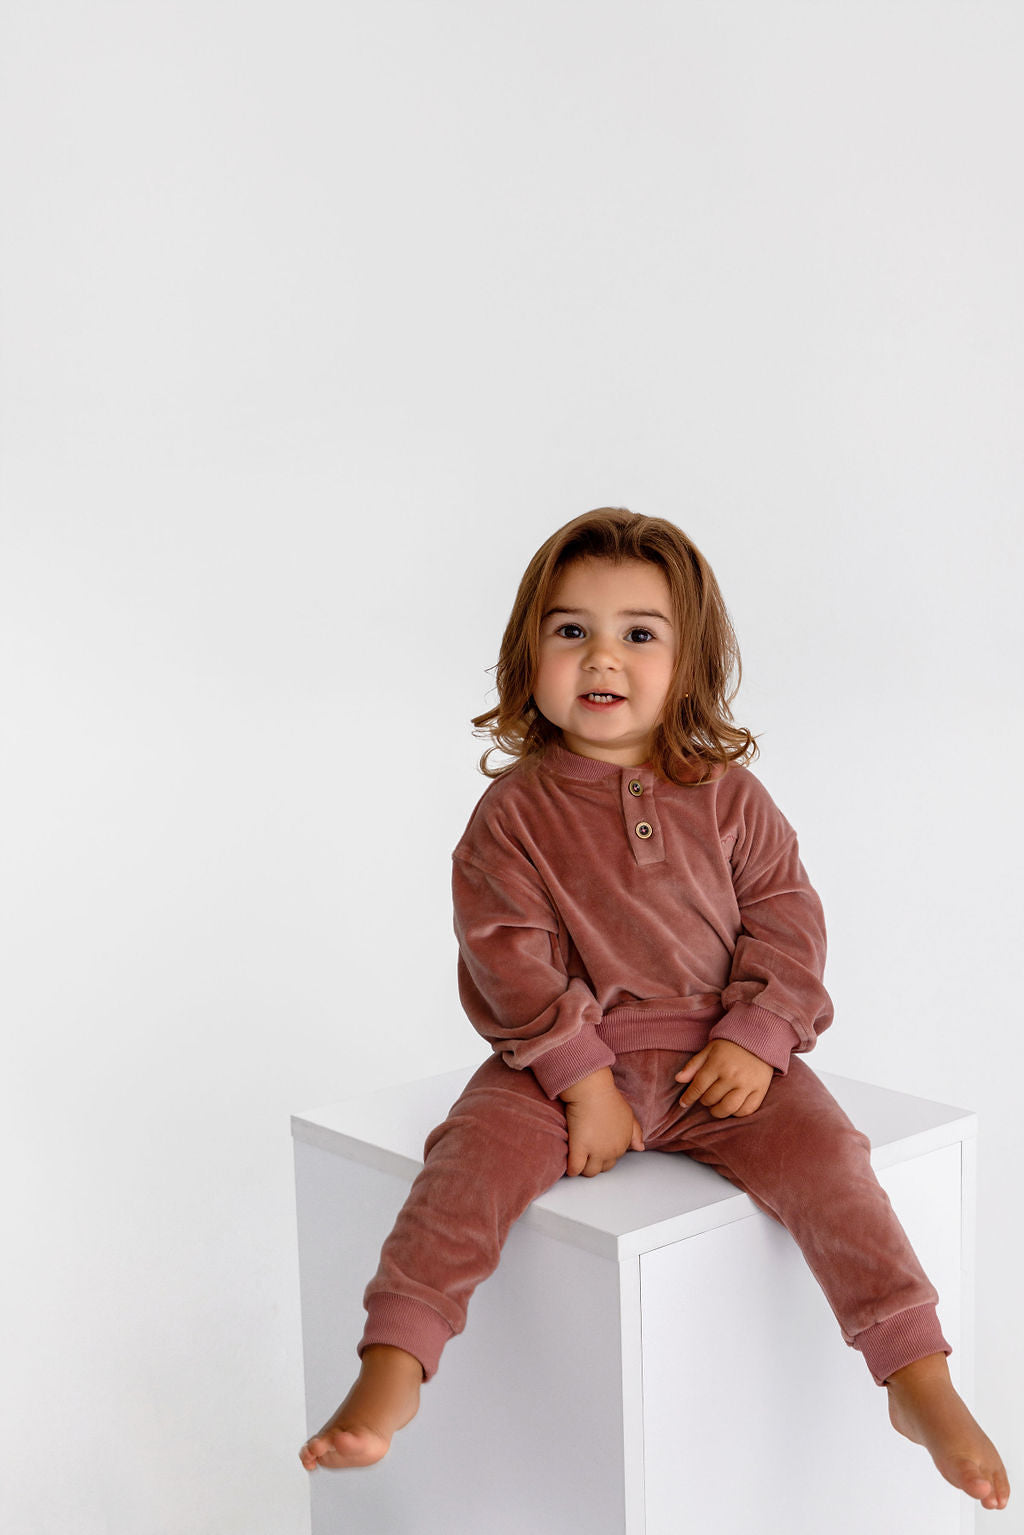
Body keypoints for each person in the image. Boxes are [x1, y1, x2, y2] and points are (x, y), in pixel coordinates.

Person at [299, 508, 1009, 1512]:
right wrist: (580, 1078)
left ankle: (916, 1376)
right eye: (571, 629)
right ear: (529, 654)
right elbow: (506, 955)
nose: (602, 655)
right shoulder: (512, 814)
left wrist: (759, 1036)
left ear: (687, 663)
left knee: (833, 1163)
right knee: (462, 1166)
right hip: (557, 1068)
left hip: (722, 1062)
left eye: (638, 632)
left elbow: (788, 920)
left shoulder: (731, 795)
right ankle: (394, 1365)